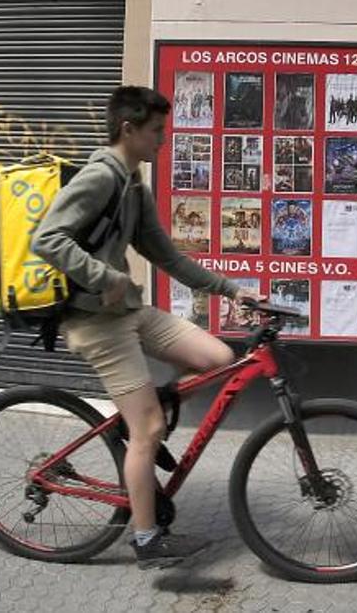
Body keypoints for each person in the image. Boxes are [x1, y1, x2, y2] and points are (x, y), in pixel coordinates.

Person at [32, 86, 263, 570]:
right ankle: (146, 537)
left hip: (129, 312)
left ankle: (144, 417)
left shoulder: (134, 184)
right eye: (157, 131)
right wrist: (105, 276)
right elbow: (46, 238)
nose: (164, 139)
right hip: (96, 323)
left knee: (219, 359)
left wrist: (230, 289)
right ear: (128, 129)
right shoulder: (100, 177)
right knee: (150, 429)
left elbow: (166, 255)